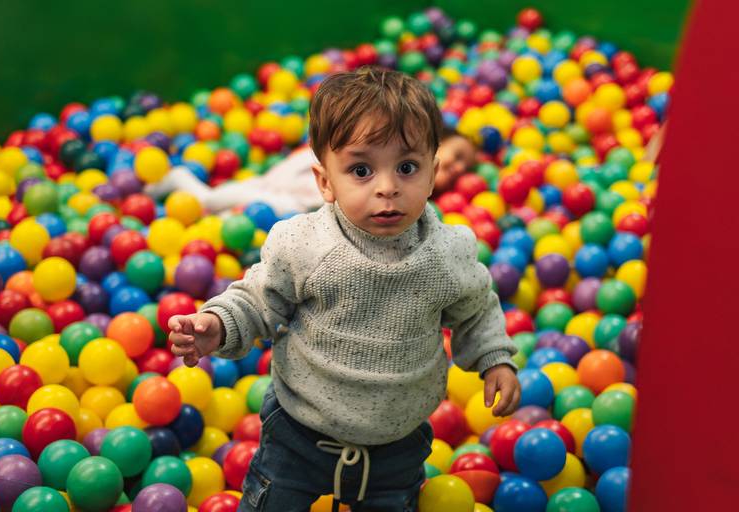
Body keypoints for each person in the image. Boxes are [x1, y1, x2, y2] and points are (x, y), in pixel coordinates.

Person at [168, 67, 519, 512]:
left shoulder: (447, 254)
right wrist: (217, 324)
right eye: (361, 170)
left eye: (407, 168)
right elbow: (257, 298)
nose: (387, 188)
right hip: (299, 431)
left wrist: (494, 358)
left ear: (433, 174)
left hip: (398, 442)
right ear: (325, 182)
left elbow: (477, 308)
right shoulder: (304, 244)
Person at [144, 123, 476, 217]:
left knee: (223, 210)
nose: (458, 168)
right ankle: (178, 180)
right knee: (216, 201)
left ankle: (183, 191)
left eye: (463, 171)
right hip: (301, 177)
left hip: (297, 205)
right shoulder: (393, 143)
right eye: (458, 155)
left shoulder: (416, 203)